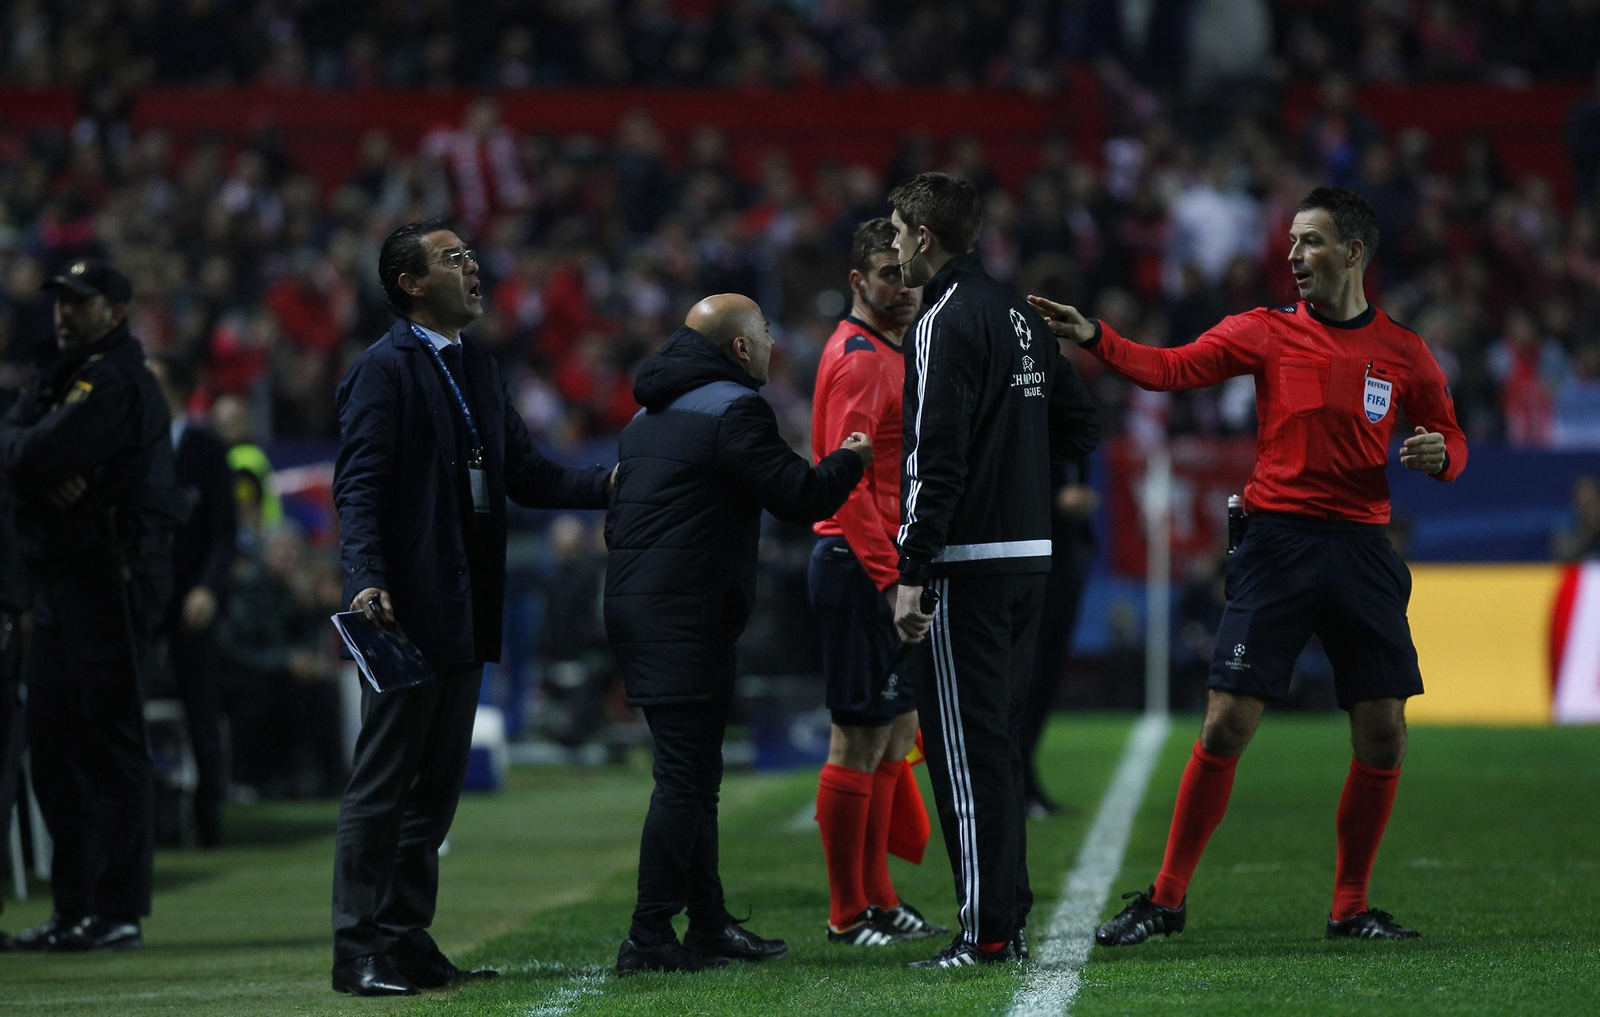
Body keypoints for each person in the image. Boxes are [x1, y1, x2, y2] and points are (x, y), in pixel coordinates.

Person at [1028, 186, 1468, 944]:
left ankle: (1350, 905)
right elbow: (1169, 369)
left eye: (1311, 241)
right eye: (1292, 241)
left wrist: (1440, 456)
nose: (1293, 255)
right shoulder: (1264, 331)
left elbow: (1451, 437)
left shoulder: (1404, 351)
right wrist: (1095, 335)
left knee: (1384, 732)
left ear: (1353, 252)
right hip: (1278, 543)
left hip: (1363, 550)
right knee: (1228, 720)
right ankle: (1166, 898)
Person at [330, 219, 613, 996]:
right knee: (383, 783)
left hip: (464, 603)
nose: (473, 265)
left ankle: (404, 934)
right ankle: (356, 948)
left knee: (435, 788)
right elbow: (358, 486)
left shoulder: (478, 367)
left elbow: (526, 473)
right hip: (402, 609)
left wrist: (612, 483)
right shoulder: (381, 369)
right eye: (453, 258)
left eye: (470, 255)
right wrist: (365, 578)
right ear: (411, 283)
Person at [605, 293, 871, 976]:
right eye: (766, 332)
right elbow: (800, 495)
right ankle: (648, 932)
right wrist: (851, 457)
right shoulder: (734, 408)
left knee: (695, 773)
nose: (774, 344)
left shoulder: (646, 415)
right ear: (741, 347)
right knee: (683, 776)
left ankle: (708, 922)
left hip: (644, 606)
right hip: (684, 612)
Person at [888, 172, 1103, 969]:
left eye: (897, 231)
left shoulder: (941, 320)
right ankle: (1005, 915)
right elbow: (1081, 425)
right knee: (999, 745)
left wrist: (913, 567)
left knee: (964, 751)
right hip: (1030, 561)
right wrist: (1014, 458)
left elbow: (932, 457)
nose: (894, 246)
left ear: (922, 236)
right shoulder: (1019, 314)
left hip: (965, 566)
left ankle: (984, 932)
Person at [0, 259, 182, 952]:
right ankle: (72, 906)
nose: (63, 312)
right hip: (61, 581)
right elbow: (16, 449)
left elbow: (32, 450)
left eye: (79, 302)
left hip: (112, 579)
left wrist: (30, 464)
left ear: (116, 311)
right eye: (60, 301)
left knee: (108, 745)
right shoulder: (56, 375)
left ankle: (116, 909)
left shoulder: (116, 380)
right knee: (52, 745)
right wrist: (34, 469)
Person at [808, 217, 945, 947]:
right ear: (858, 281)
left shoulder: (893, 350)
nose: (905, 285)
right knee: (857, 738)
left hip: (884, 563)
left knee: (894, 734)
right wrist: (893, 581)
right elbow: (847, 486)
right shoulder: (861, 359)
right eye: (889, 274)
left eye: (909, 271)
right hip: (859, 565)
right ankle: (846, 912)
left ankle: (880, 899)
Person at [148, 355, 237, 846]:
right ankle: (146, 816)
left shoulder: (206, 448)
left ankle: (209, 816)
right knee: (130, 705)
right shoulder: (132, 444)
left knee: (201, 707)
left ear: (178, 391)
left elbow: (224, 531)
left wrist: (206, 587)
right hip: (142, 597)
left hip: (191, 598)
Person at [1020, 457, 1097, 819]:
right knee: (1027, 677)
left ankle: (1026, 780)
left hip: (1065, 568)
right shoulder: (1030, 435)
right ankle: (1017, 782)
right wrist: (1056, 501)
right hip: (1031, 569)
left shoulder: (1074, 446)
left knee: (1047, 680)